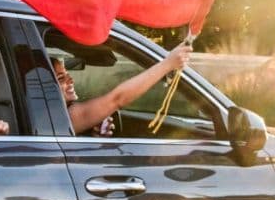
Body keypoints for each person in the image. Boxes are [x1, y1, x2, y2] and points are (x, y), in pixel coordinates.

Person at [51, 43, 191, 136]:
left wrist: (94, 136)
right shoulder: (63, 117)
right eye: (61, 78)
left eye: (68, 75)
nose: (71, 80)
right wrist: (168, 64)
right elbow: (117, 99)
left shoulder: (50, 116)